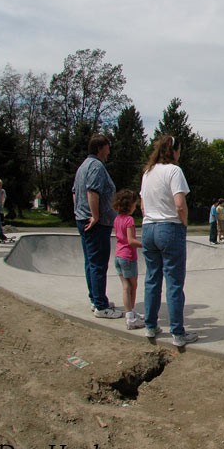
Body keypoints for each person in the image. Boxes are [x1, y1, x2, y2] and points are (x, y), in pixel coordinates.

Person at [140, 135, 197, 346]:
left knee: (152, 279)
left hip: (148, 228)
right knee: (174, 282)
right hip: (169, 227)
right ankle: (178, 333)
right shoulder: (174, 171)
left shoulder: (148, 173)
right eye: (179, 150)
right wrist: (184, 224)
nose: (180, 154)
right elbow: (180, 204)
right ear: (173, 150)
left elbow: (143, 205)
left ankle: (150, 326)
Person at [73, 133, 122, 319]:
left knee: (90, 263)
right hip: (96, 223)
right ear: (101, 148)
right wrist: (94, 216)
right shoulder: (96, 166)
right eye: (108, 147)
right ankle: (101, 306)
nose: (109, 151)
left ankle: (96, 299)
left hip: (83, 218)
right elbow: (92, 191)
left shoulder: (82, 167)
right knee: (98, 264)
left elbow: (74, 193)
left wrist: (78, 211)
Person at [112, 189, 145, 330]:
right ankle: (131, 317)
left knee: (125, 287)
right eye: (135, 205)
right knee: (132, 286)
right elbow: (131, 241)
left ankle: (130, 314)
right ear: (129, 205)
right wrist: (145, 245)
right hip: (128, 257)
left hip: (118, 256)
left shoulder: (117, 218)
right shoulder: (129, 220)